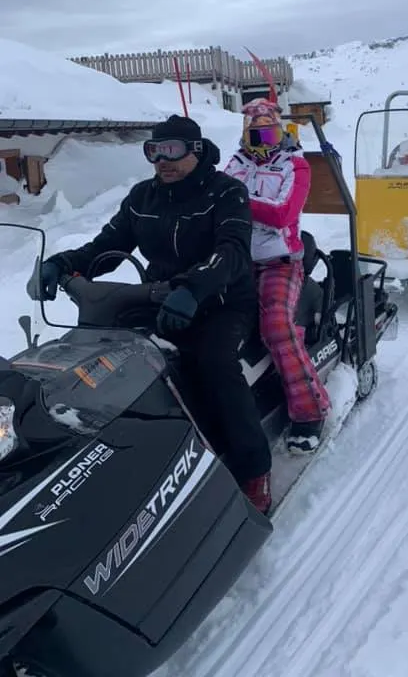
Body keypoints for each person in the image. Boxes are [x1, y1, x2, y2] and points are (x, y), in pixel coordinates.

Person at [36, 115, 273, 514]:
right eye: (154, 151)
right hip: (159, 295)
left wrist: (194, 288)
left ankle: (253, 468)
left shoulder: (227, 192)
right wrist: (61, 264)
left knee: (214, 364)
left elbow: (232, 251)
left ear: (195, 151)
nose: (163, 160)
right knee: (106, 359)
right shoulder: (143, 196)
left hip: (221, 300)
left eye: (173, 150)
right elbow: (105, 245)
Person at [224, 98, 331, 455]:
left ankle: (309, 410)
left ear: (280, 130)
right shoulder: (235, 164)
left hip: (279, 261)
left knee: (277, 327)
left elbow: (283, 213)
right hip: (236, 260)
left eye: (269, 131)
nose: (262, 140)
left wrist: (235, 198)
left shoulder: (295, 165)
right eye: (255, 133)